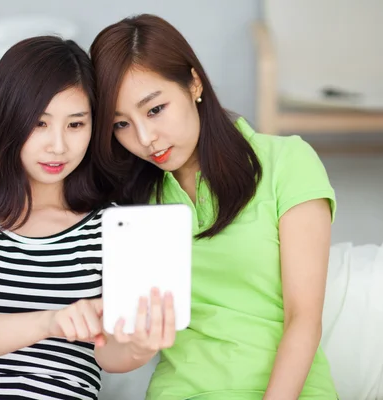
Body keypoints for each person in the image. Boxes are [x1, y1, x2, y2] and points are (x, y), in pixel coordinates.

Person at [0, 36, 174, 400]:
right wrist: (52, 320)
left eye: (76, 125)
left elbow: (109, 354)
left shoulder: (114, 230)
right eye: (39, 124)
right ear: (5, 121)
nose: (58, 146)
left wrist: (140, 346)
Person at [90, 14, 338, 400]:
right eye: (121, 124)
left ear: (193, 82)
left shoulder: (287, 161)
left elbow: (303, 319)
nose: (145, 138)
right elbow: (112, 357)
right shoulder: (131, 204)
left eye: (155, 109)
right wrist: (137, 344)